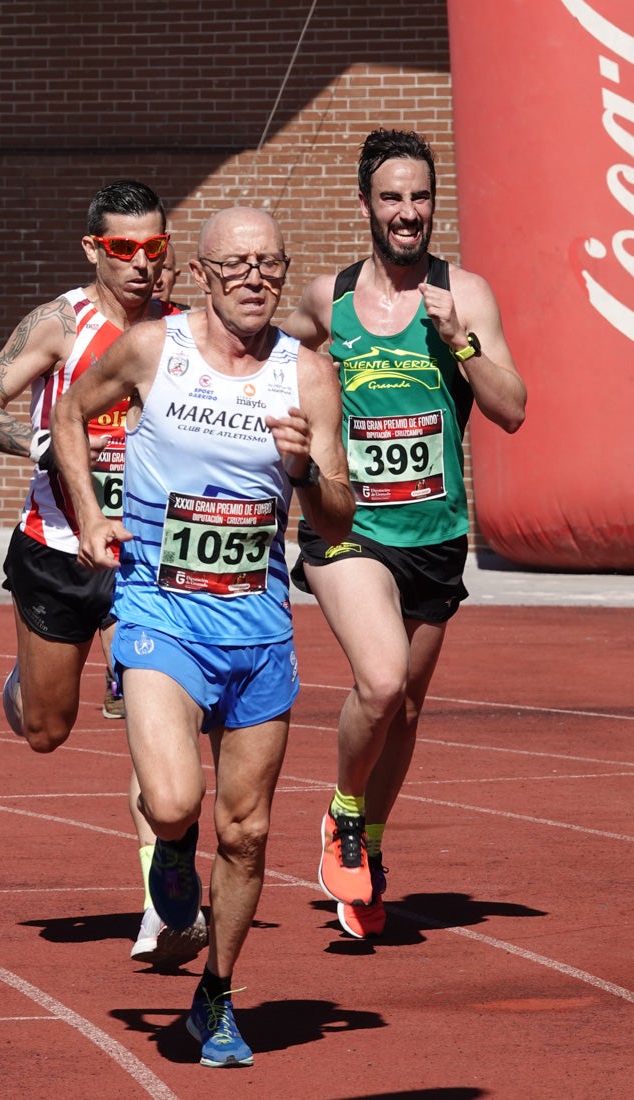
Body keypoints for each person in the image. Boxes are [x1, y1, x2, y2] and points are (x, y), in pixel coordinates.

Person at [50, 206, 355, 1068]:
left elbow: (337, 515)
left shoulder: (309, 376)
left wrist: (305, 468)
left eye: (270, 264)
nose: (255, 279)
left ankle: (215, 995)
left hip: (257, 627)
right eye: (237, 265)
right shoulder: (154, 350)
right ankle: (171, 853)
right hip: (159, 610)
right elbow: (72, 415)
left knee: (250, 832)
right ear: (204, 275)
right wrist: (90, 517)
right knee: (177, 802)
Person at [282, 128, 527, 940]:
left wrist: (462, 341)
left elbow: (511, 408)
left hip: (434, 532)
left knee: (407, 710)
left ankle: (370, 849)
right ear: (366, 205)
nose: (407, 212)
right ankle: (343, 818)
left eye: (419, 197)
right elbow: (273, 366)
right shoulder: (328, 298)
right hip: (349, 526)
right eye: (391, 197)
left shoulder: (464, 295)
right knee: (380, 684)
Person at [0, 179, 207, 966]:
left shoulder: (183, 331)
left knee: (154, 736)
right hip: (55, 550)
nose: (141, 264)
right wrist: (35, 444)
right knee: (47, 731)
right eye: (124, 249)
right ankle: (30, 683)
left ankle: (161, 906)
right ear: (94, 249)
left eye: (154, 248)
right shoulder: (61, 324)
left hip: (145, 561)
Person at [153, 240, 187, 308]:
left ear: (175, 276)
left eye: (164, 268)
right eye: (151, 268)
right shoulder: (125, 318)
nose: (158, 280)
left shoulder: (187, 317)